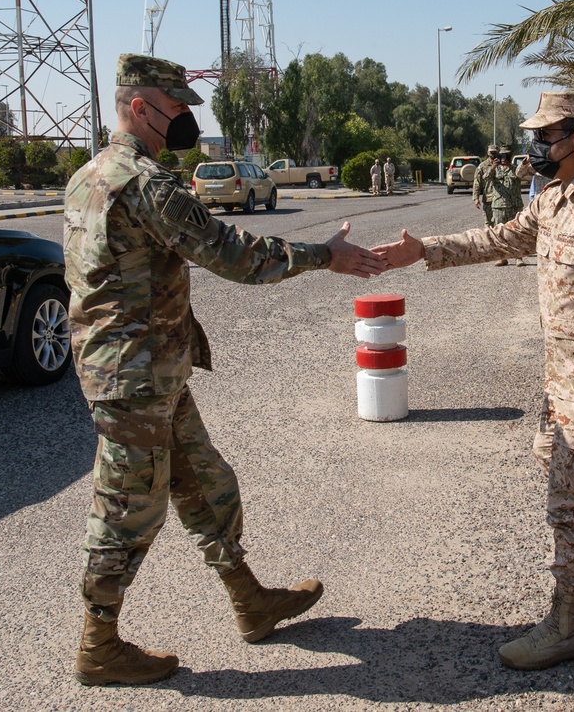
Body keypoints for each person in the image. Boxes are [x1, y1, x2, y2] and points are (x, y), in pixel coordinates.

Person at [63, 53, 386, 687]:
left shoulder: (88, 175)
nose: (183, 119)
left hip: (153, 371)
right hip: (134, 378)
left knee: (208, 485)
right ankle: (98, 644)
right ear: (139, 107)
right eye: (175, 108)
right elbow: (229, 253)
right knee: (128, 508)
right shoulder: (144, 183)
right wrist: (327, 255)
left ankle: (250, 600)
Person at [371, 90, 574, 671]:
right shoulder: (557, 197)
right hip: (562, 373)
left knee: (569, 503)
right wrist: (422, 250)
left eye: (545, 137)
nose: (536, 147)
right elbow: (500, 238)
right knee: (554, 461)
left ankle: (564, 625)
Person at [473, 144, 498, 229]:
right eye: (491, 152)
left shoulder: (501, 164)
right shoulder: (482, 166)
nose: (493, 154)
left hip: (500, 198)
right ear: (488, 153)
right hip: (488, 198)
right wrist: (476, 198)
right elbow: (477, 182)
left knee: (499, 223)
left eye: (494, 152)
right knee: (488, 223)